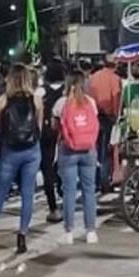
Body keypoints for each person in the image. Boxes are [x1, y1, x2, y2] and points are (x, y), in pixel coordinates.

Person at [0, 64, 43, 254]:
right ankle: (22, 236)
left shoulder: (3, 100)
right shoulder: (37, 99)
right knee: (27, 194)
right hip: (31, 150)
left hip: (10, 151)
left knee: (0, 193)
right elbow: (38, 127)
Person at [54, 69, 102, 245]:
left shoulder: (61, 103)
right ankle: (91, 231)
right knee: (89, 190)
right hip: (89, 150)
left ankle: (69, 232)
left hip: (68, 150)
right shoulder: (91, 102)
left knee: (69, 191)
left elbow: (55, 126)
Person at [38, 61, 68, 223]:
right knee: (65, 169)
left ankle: (53, 207)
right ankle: (67, 199)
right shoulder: (67, 93)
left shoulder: (41, 92)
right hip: (66, 135)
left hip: (46, 135)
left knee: (47, 170)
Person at [88, 58, 122, 192]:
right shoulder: (115, 79)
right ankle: (104, 181)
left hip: (95, 116)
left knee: (95, 148)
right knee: (107, 149)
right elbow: (116, 98)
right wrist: (116, 116)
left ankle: (95, 179)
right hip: (109, 117)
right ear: (116, 64)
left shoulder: (94, 77)